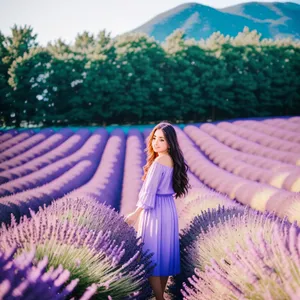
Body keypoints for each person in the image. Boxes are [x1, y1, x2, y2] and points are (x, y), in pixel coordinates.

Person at [125, 122, 191, 300]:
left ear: (170, 142)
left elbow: (149, 192)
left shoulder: (159, 161)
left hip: (154, 210)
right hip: (168, 209)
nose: (156, 142)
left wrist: (135, 214)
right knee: (165, 253)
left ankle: (159, 297)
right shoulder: (171, 159)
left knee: (152, 254)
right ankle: (161, 295)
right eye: (154, 138)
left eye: (161, 139)